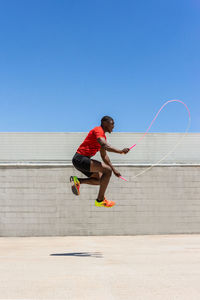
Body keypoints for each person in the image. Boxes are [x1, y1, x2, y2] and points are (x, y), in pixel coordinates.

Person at [70, 116, 130, 207]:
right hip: (80, 159)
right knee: (107, 170)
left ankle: (78, 181)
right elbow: (105, 146)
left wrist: (114, 170)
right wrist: (121, 151)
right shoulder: (98, 130)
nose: (113, 126)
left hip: (81, 161)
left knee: (100, 180)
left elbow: (104, 156)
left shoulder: (103, 136)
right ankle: (100, 200)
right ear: (105, 123)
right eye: (112, 123)